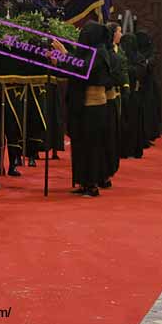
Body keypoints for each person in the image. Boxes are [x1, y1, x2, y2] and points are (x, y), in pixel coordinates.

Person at [67, 21, 111, 197]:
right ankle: (84, 182)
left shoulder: (99, 53)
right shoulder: (88, 52)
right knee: (80, 145)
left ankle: (92, 184)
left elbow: (83, 69)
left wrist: (64, 56)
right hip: (82, 105)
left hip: (93, 106)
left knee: (91, 146)